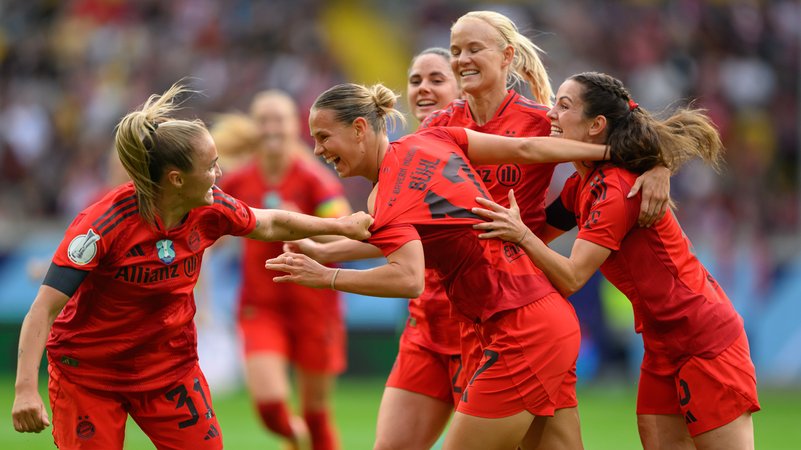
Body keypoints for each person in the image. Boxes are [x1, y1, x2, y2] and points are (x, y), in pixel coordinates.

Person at [10, 83, 372, 450]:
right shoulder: (102, 225)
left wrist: (341, 226)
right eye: (211, 166)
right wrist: (25, 390)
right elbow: (42, 310)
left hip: (168, 370)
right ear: (176, 179)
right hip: (88, 375)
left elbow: (270, 223)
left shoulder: (211, 208)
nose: (220, 174)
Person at [267, 82, 608, 450]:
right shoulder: (430, 138)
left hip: (521, 328)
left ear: (360, 129)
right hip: (538, 315)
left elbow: (409, 277)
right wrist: (610, 152)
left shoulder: (388, 198)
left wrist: (328, 277)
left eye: (323, 136)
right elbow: (527, 149)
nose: (318, 149)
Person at [471, 72, 760, 450]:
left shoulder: (616, 188)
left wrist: (519, 234)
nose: (550, 115)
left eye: (563, 105)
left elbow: (572, 275)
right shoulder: (582, 185)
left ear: (596, 126)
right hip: (661, 344)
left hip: (704, 337)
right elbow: (538, 234)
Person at [218, 90, 352, 450]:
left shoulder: (315, 181)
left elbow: (342, 231)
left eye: (279, 119)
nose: (272, 127)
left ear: (295, 127)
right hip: (262, 307)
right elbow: (203, 233)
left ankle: (305, 437)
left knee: (316, 414)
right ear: (255, 127)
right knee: (271, 407)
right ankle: (295, 440)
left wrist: (303, 224)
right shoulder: (238, 182)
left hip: (315, 307)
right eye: (264, 119)